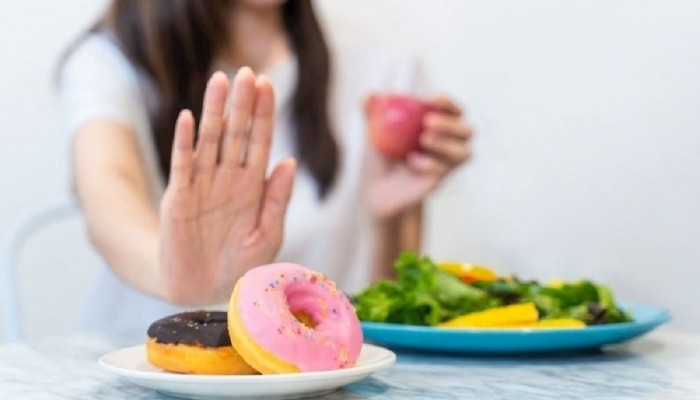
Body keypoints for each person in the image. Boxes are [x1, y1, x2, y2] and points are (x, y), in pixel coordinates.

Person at [58, 0, 472, 335]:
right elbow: (108, 189)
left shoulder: (383, 68)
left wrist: (386, 219)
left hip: (310, 382)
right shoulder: (110, 60)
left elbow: (387, 318)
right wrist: (170, 270)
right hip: (141, 371)